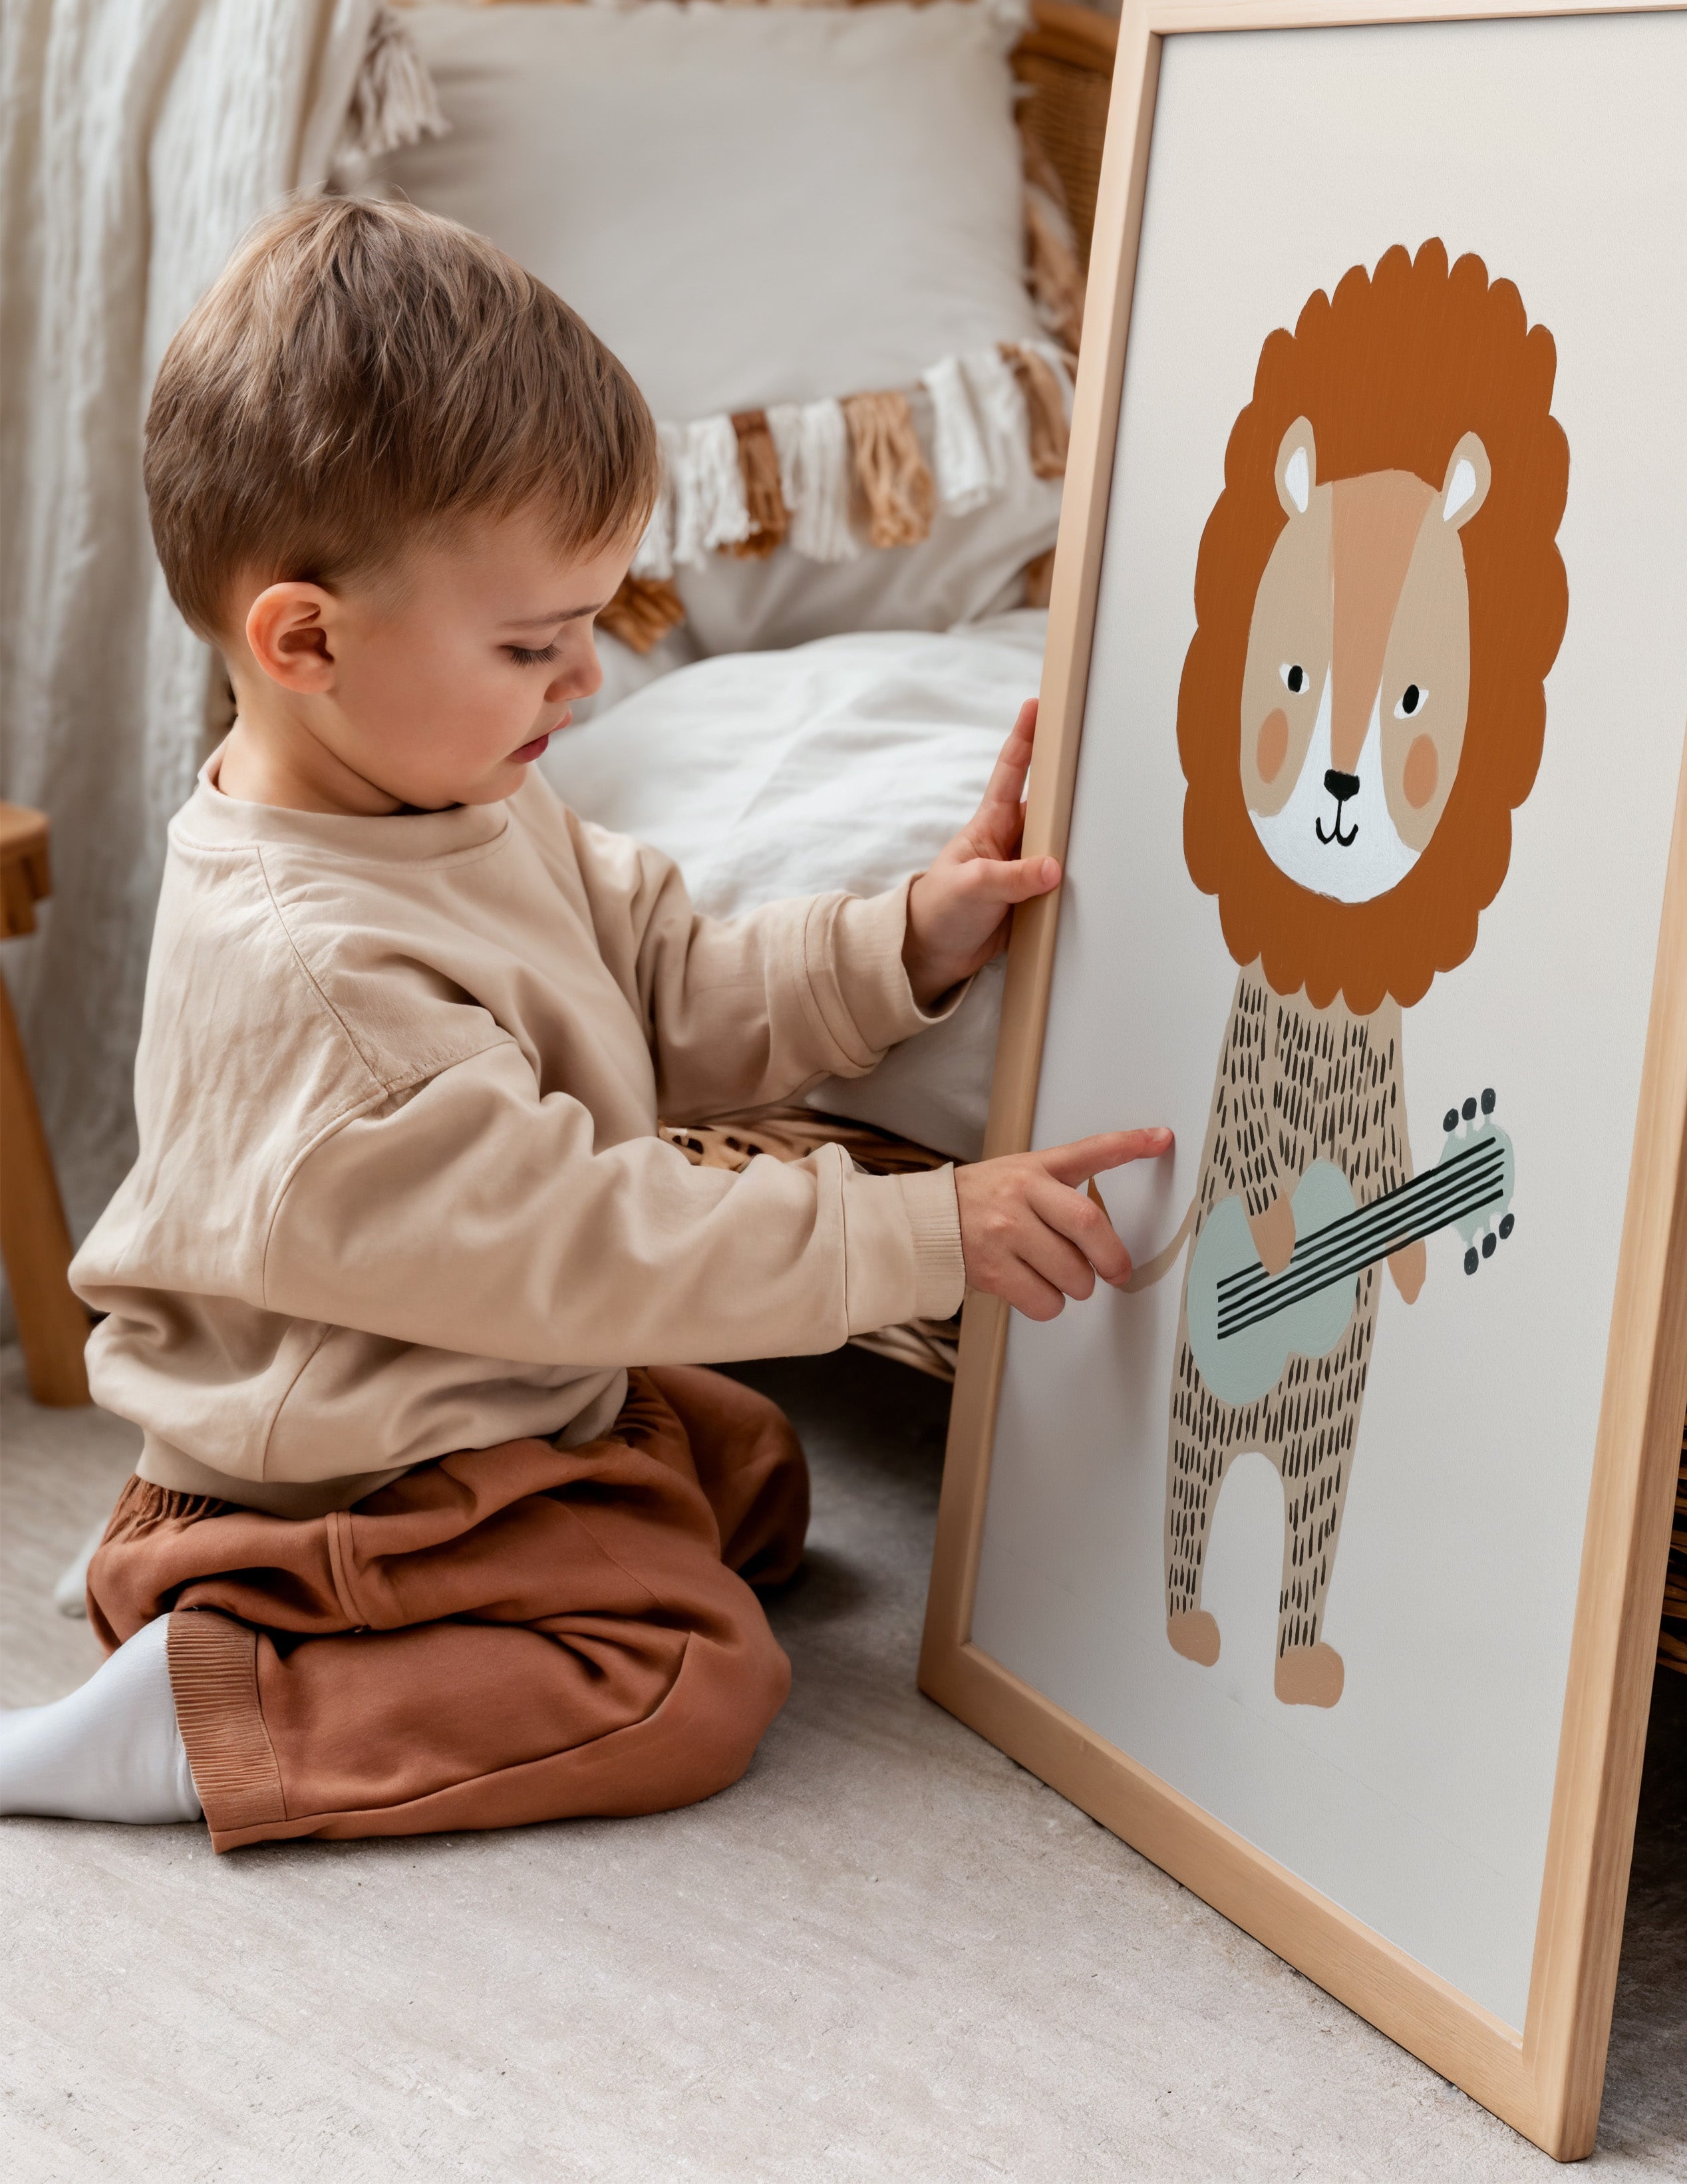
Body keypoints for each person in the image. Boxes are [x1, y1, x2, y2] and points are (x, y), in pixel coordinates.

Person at [0, 196, 1165, 1849]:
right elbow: (601, 1237)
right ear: (308, 639)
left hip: (469, 1367)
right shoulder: (323, 974)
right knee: (690, 1678)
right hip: (364, 1465)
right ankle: (218, 1696)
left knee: (750, 1477)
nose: (584, 687)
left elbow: (669, 985)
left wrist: (908, 939)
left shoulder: (464, 795)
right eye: (536, 643)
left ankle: (207, 1569)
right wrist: (921, 1232)